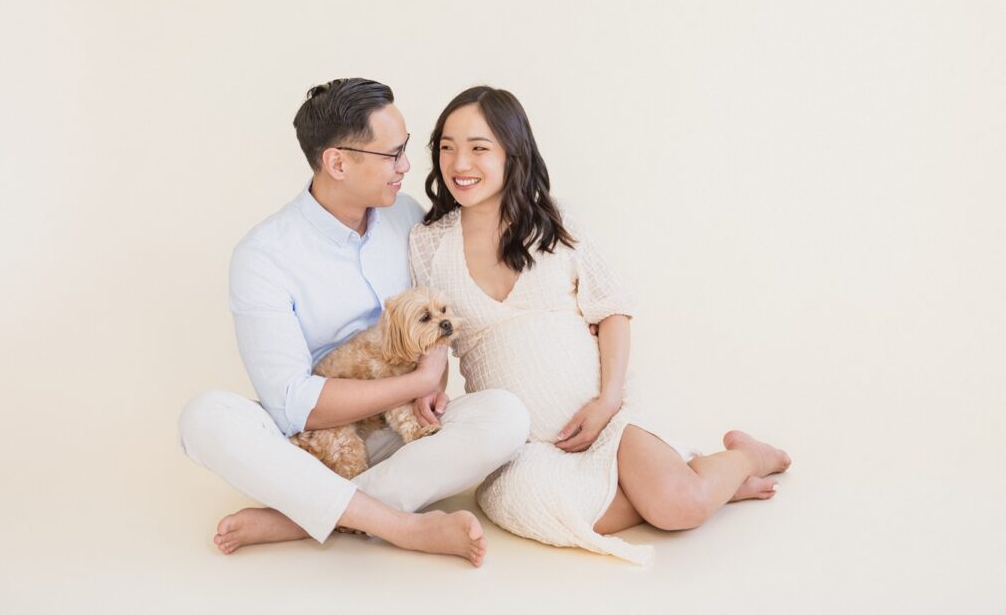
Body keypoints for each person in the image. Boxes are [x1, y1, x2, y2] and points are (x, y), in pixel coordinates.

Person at [408, 86, 792, 564]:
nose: (459, 163)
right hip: (522, 445)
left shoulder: (555, 222)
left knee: (680, 507)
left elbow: (612, 310)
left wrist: (608, 400)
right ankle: (704, 478)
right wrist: (431, 386)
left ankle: (742, 460)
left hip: (606, 412)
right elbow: (434, 338)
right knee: (531, 510)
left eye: (478, 148)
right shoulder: (429, 244)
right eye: (447, 147)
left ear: (513, 151)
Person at [178, 79, 530, 568]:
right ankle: (399, 525)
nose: (407, 167)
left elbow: (436, 311)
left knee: (506, 416)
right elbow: (291, 403)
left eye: (405, 150)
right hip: (312, 443)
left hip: (398, 429)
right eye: (392, 154)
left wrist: (429, 380)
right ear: (338, 162)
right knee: (205, 417)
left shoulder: (406, 216)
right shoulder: (263, 256)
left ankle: (303, 517)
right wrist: (417, 380)